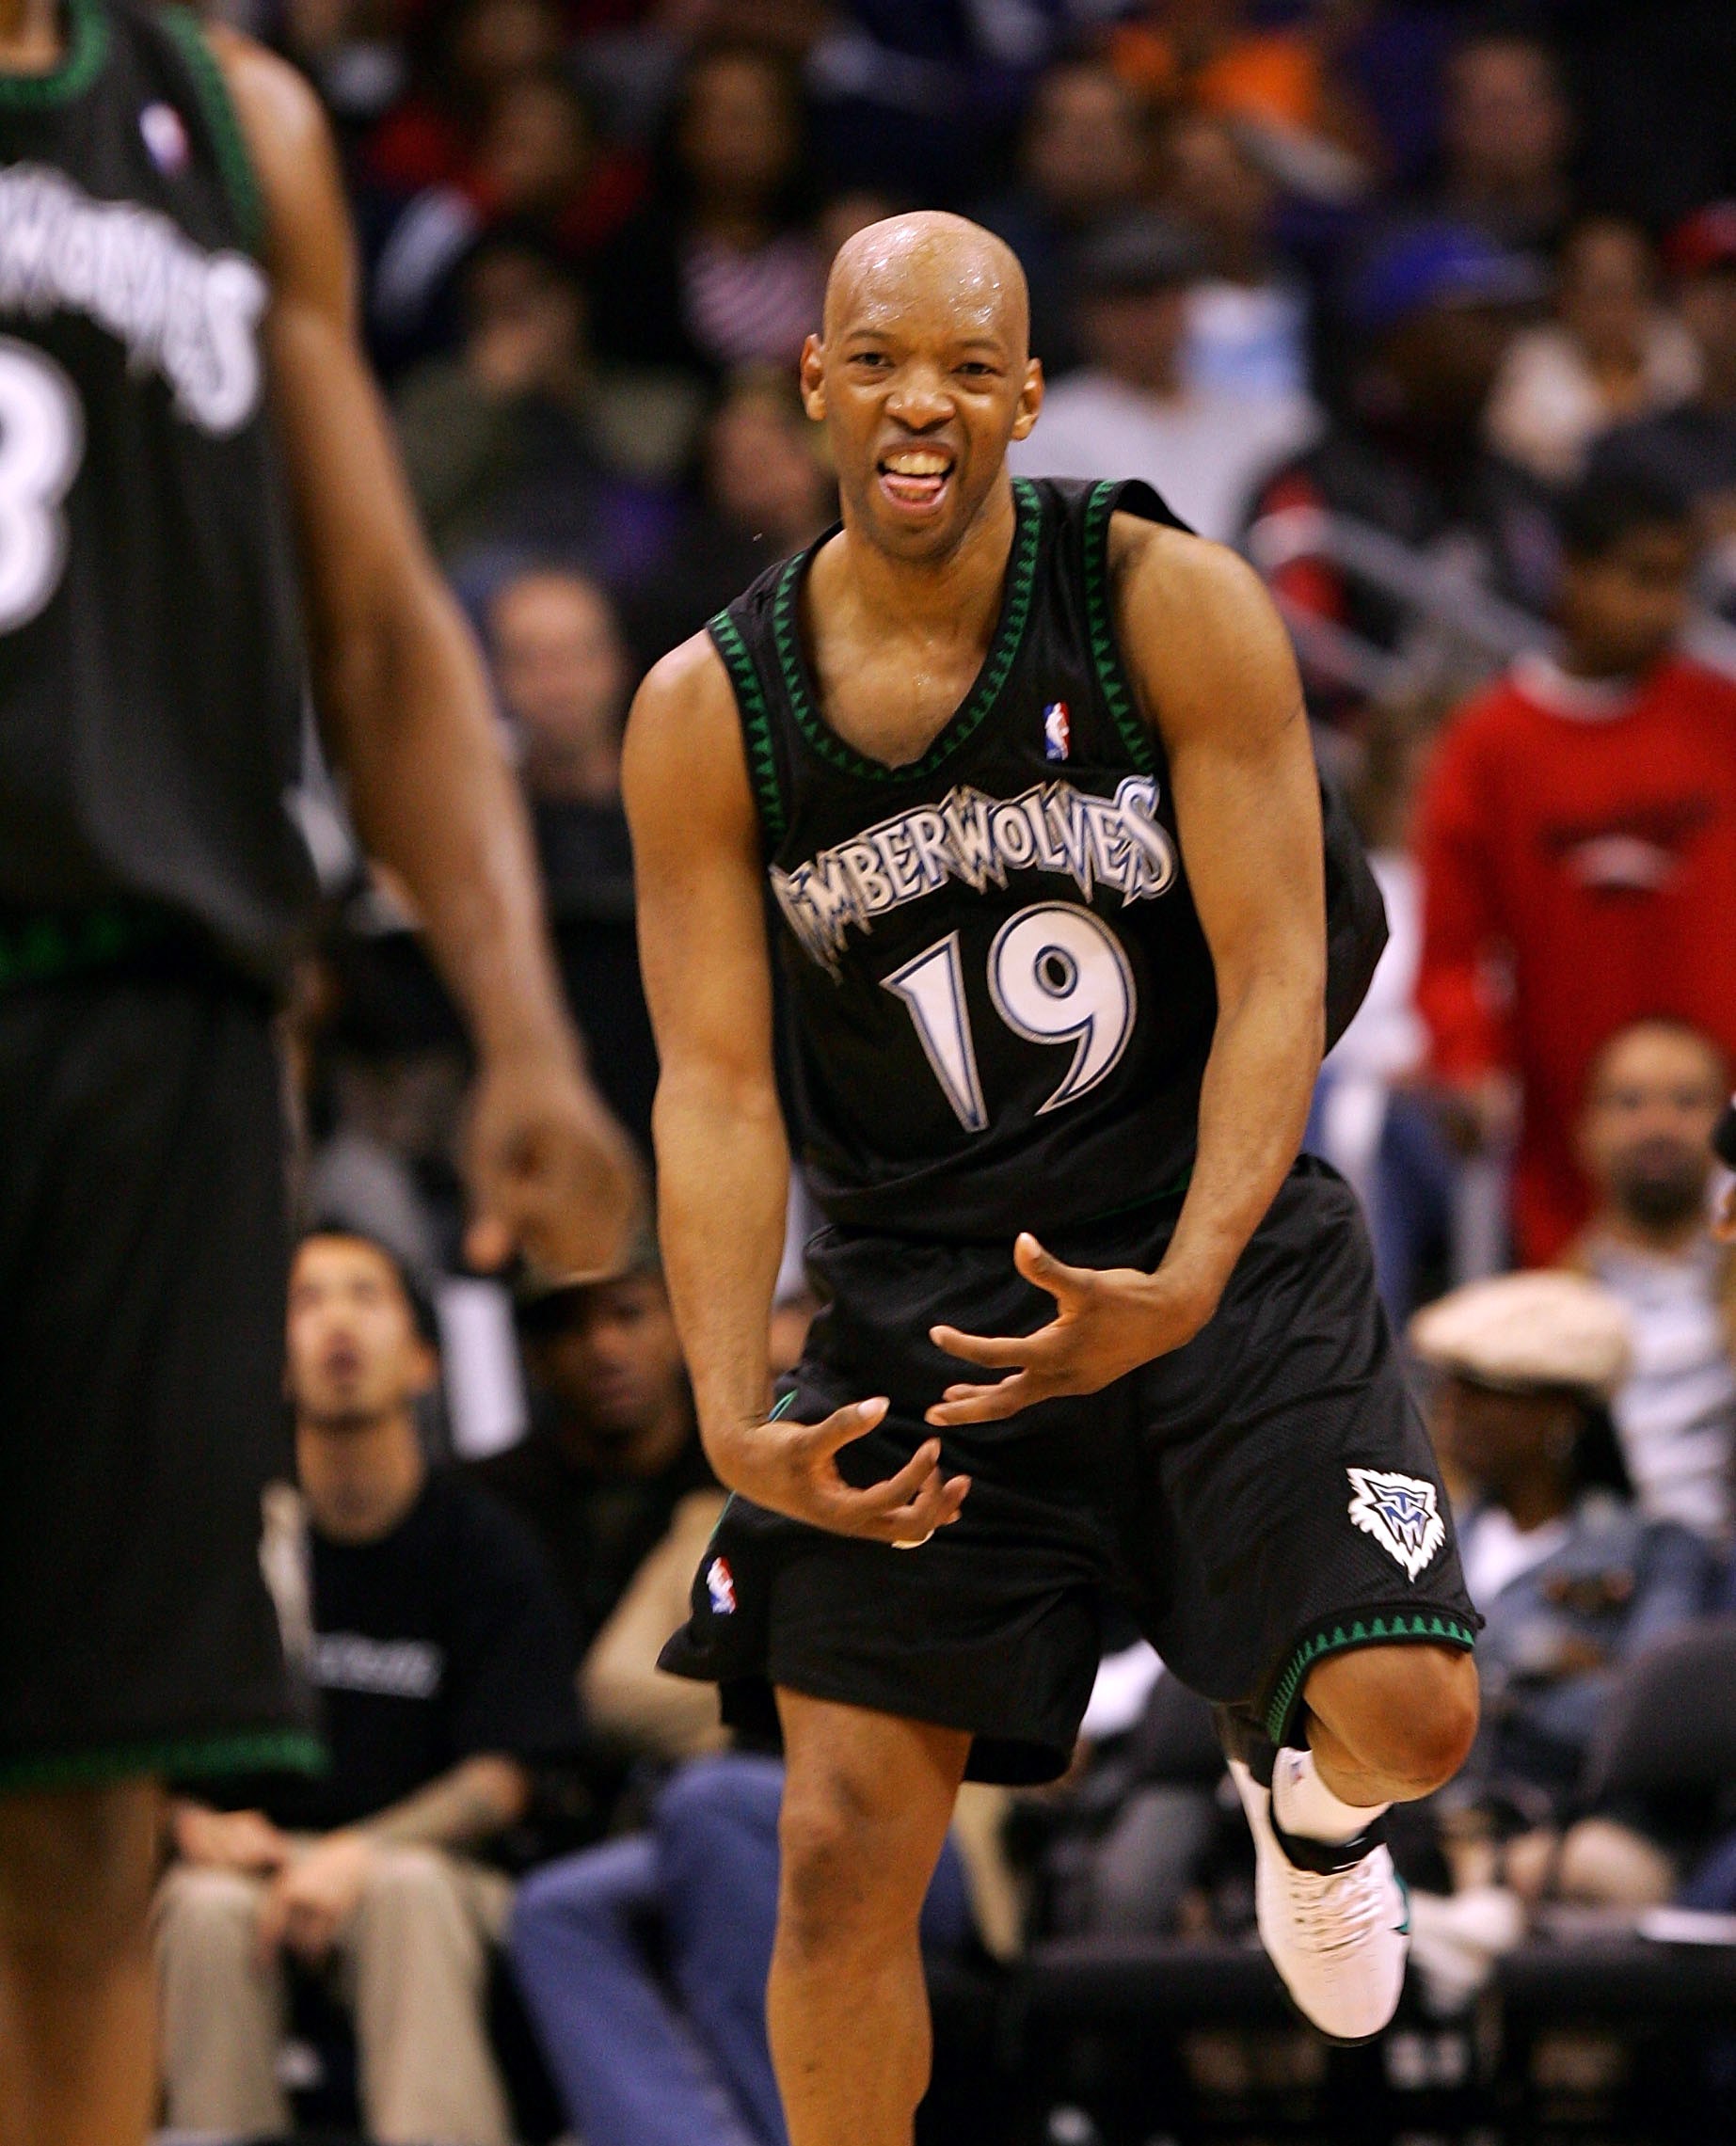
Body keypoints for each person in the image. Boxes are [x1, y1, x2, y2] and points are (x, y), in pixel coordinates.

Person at [623, 211, 1481, 2146]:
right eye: (874, 360)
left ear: (1023, 390)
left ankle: (1311, 1807)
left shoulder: (1164, 599)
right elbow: (713, 1089)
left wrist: (1183, 1273)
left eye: (959, 366)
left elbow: (1280, 972)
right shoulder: (706, 711)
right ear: (812, 383)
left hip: (1218, 1260)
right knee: (840, 1850)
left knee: (1416, 1721)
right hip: (925, 1309)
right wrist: (718, 1404)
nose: (916, 403)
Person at [0, 2, 636, 2138]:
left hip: (161, 1025)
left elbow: (374, 625)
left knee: (88, 1803)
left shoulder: (227, 116)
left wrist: (524, 1030)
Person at [154, 1231, 582, 2145]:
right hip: (255, 1865)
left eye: (365, 1295)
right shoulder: (224, 1544)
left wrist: (353, 1852)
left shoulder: (486, 1548)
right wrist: (190, 1822)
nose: (336, 1321)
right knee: (197, 1907)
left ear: (424, 1360)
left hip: (433, 1869)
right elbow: (149, 1740)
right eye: (307, 1302)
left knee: (405, 1894)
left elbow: (508, 1774)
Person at [1415, 470, 1736, 1264]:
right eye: (1640, 579)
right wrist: (1467, 1062)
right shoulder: (1490, 745)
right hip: (1565, 1134)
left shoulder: (1717, 715)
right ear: (1572, 575)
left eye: (1676, 583)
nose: (1664, 609)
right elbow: (1450, 951)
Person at [1410, 1271, 1712, 1911]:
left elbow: (1637, 1711)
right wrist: (1545, 1664)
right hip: (1420, 1817)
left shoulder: (1656, 1550)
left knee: (1589, 1869)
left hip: (1567, 1823)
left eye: (1482, 1391)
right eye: (1447, 1386)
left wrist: (1474, 1685)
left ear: (1558, 1414)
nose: (1450, 1408)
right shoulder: (1423, 1541)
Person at [1009, 208, 1316, 545]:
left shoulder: (1264, 417)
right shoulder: (1048, 429)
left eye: (1161, 298)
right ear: (1088, 316)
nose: (1146, 321)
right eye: (1126, 303)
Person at [470, 1233, 712, 1656]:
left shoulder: (737, 1487)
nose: (604, 1348)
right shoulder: (490, 1504)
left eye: (628, 1314)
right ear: (534, 1356)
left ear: (681, 1326)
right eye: (570, 1325)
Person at [489, 564, 659, 1148]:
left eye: (573, 657)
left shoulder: (678, 809)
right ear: (497, 676)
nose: (554, 684)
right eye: (530, 660)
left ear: (616, 664)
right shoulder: (481, 837)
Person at [1564, 1020, 1736, 1545]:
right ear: (1585, 1130)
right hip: (1596, 1570)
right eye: (1630, 1102)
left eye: (1687, 1102)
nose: (1659, 1125)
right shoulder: (1545, 1306)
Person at [1484, 217, 1698, 487]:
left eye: (1627, 289)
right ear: (1565, 298)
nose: (1612, 310)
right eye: (1599, 292)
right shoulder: (1528, 362)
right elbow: (1523, 459)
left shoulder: (1681, 350)